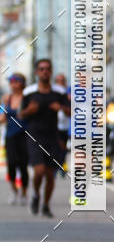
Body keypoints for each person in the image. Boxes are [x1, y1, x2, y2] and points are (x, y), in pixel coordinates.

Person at [19, 58, 70, 217]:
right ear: (36, 72)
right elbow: (21, 114)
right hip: (35, 136)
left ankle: (46, 204)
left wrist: (60, 108)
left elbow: (71, 111)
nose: (44, 71)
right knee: (39, 170)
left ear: (51, 71)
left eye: (47, 68)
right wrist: (29, 110)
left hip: (53, 136)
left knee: (49, 174)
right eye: (41, 69)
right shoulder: (29, 92)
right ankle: (36, 194)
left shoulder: (59, 92)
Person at [0, 73, 29, 205]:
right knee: (11, 164)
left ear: (22, 83)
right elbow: (2, 116)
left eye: (15, 81)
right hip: (10, 136)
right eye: (11, 82)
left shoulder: (27, 98)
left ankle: (24, 193)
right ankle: (13, 190)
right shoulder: (7, 98)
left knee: (23, 165)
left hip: (24, 135)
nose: (13, 84)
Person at [53, 72, 70, 176]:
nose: (60, 83)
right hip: (54, 126)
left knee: (63, 147)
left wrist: (62, 107)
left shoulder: (67, 95)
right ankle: (55, 168)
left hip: (65, 126)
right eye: (58, 81)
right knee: (56, 146)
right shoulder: (52, 92)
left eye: (62, 81)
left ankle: (61, 165)